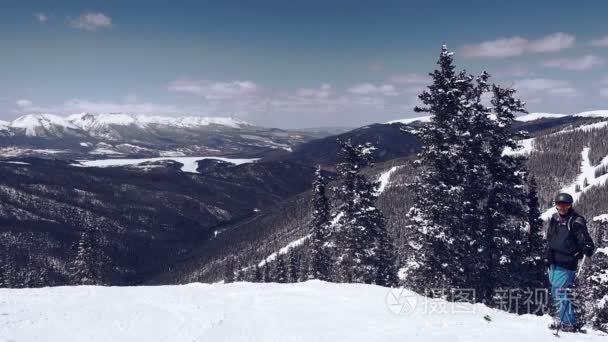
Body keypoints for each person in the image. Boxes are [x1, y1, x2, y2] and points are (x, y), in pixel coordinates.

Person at [544, 192, 595, 332]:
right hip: (554, 261)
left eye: (566, 205)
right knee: (556, 292)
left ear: (570, 206)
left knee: (560, 292)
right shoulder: (554, 219)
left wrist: (586, 248)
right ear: (556, 206)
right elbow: (550, 240)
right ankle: (565, 319)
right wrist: (548, 257)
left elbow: (586, 240)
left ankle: (568, 323)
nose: (563, 209)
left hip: (567, 262)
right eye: (560, 205)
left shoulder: (576, 221)